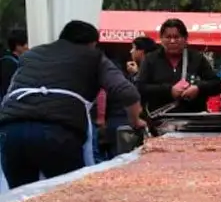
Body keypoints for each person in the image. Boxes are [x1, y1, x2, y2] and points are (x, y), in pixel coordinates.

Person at [0, 20, 144, 189]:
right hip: (57, 131)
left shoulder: (32, 54)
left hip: (11, 131)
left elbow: (10, 93)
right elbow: (127, 92)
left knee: (19, 201)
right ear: (92, 43)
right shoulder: (93, 56)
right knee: (70, 197)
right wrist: (136, 122)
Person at [137, 19, 221, 114]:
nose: (172, 41)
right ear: (161, 39)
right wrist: (168, 90)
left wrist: (198, 88)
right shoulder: (150, 59)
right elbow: (140, 87)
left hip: (192, 118)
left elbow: (217, 85)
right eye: (168, 37)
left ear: (185, 38)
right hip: (160, 119)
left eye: (177, 37)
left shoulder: (196, 58)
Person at [2, 28, 28, 98]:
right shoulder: (10, 65)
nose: (28, 46)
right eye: (26, 43)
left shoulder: (8, 60)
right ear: (18, 46)